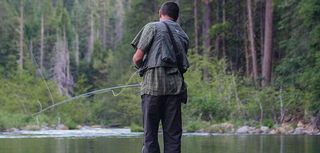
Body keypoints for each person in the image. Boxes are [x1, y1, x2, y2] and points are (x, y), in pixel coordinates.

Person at [131, 2, 189, 153]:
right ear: (176, 17)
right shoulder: (183, 34)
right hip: (175, 89)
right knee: (173, 137)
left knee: (150, 136)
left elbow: (137, 58)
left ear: (160, 13)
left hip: (153, 87)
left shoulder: (152, 27)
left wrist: (142, 68)